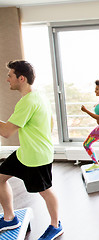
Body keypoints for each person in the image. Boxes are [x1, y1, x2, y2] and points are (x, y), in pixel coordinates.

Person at [0, 60, 63, 239]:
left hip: (36, 157)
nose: (7, 79)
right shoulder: (39, 95)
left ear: (21, 78)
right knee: (0, 178)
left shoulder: (27, 102)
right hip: (24, 153)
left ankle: (55, 225)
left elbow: (6, 132)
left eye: (10, 75)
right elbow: (50, 122)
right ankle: (10, 217)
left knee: (45, 191)